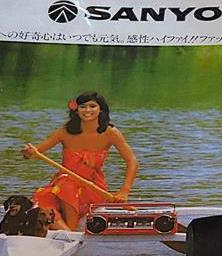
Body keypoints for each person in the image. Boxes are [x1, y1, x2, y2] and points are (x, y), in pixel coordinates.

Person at [22, 93, 139, 232]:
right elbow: (34, 153)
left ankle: (69, 232)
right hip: (63, 184)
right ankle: (69, 232)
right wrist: (28, 152)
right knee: (46, 201)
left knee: (67, 186)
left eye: (92, 106)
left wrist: (124, 191)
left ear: (101, 109)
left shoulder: (110, 132)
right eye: (83, 106)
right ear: (76, 110)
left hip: (93, 186)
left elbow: (132, 161)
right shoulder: (65, 131)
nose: (87, 110)